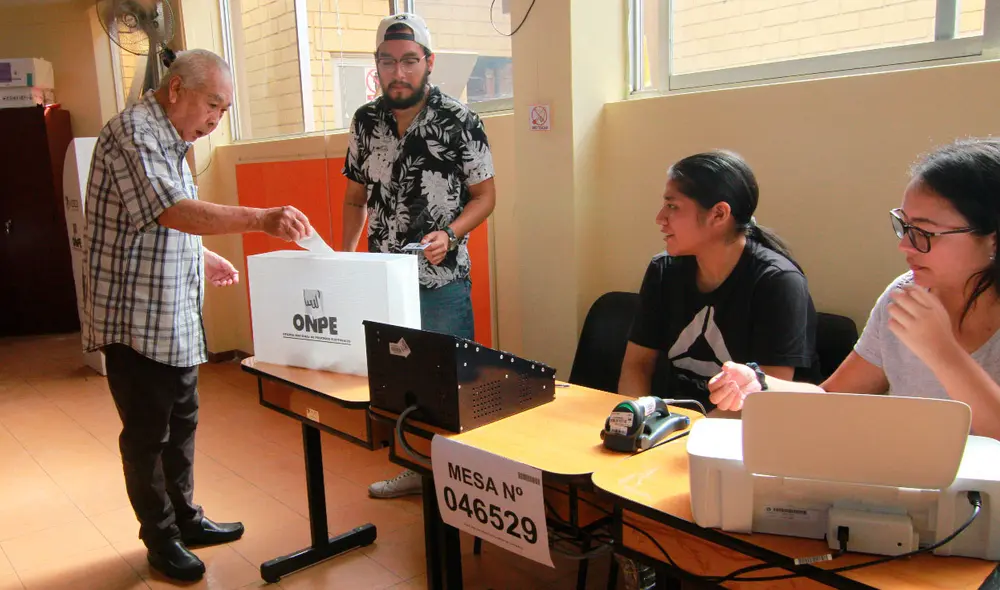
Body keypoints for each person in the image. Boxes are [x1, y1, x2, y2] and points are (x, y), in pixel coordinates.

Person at [84, 49, 313, 581]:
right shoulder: (133, 133)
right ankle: (159, 538)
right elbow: (170, 209)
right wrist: (260, 217)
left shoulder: (175, 140)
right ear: (175, 91)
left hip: (174, 316)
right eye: (212, 103)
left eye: (225, 109)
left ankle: (185, 519)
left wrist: (201, 256)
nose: (216, 118)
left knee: (181, 422)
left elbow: (159, 223)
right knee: (147, 435)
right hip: (136, 321)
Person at [615, 151, 817, 590]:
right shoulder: (664, 270)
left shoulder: (777, 283)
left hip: (734, 452)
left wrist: (689, 448)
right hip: (665, 435)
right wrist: (635, 422)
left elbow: (766, 399)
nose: (660, 218)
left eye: (673, 206)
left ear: (719, 215)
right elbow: (637, 363)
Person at [708, 139, 1000, 441]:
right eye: (905, 226)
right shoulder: (904, 295)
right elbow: (833, 399)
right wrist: (761, 384)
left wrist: (942, 352)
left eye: (925, 232)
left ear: (992, 239)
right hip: (913, 483)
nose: (905, 245)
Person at [341, 13, 497, 499]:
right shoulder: (365, 122)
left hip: (441, 279)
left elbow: (485, 197)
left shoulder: (460, 120)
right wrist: (345, 261)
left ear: (428, 62)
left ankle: (463, 483)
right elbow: (353, 200)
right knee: (400, 380)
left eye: (409, 60)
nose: (398, 72)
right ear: (377, 67)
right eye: (388, 62)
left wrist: (449, 235)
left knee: (450, 383)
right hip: (383, 280)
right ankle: (418, 470)